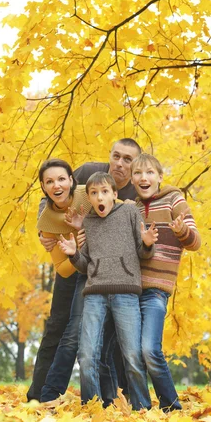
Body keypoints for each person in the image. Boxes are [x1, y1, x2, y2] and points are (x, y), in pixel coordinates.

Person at [27, 138, 141, 402]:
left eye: (128, 160)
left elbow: (159, 194)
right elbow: (55, 193)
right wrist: (45, 230)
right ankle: (39, 396)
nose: (119, 164)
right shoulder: (89, 172)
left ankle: (118, 398)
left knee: (111, 338)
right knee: (59, 327)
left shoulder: (138, 188)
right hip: (72, 262)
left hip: (111, 273)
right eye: (116, 156)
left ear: (136, 166)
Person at [58, 171, 158, 410]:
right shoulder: (89, 223)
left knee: (132, 355)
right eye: (94, 193)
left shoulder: (130, 212)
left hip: (126, 293)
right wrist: (74, 255)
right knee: (86, 355)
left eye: (104, 191)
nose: (99, 197)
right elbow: (85, 266)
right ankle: (91, 407)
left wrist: (146, 243)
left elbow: (144, 254)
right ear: (90, 198)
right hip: (94, 294)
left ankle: (142, 408)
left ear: (114, 194)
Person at [131, 153, 201, 411]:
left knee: (150, 349)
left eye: (149, 172)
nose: (143, 177)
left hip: (156, 290)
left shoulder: (174, 200)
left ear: (160, 177)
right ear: (132, 179)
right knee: (133, 354)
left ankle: (172, 406)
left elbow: (195, 243)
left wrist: (182, 230)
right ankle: (141, 408)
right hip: (129, 290)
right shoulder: (132, 208)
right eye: (137, 173)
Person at [36, 158, 90, 402]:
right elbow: (62, 269)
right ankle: (40, 396)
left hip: (105, 270)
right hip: (75, 273)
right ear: (43, 187)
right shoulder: (46, 221)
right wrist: (76, 252)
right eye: (49, 181)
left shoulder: (88, 194)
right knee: (60, 329)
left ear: (71, 179)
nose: (56, 185)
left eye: (61, 179)